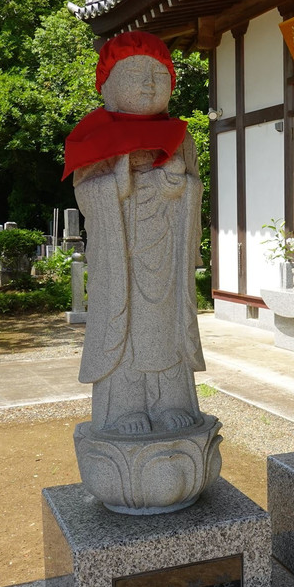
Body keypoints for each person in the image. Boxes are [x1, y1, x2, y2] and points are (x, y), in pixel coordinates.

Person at [64, 31, 203, 435]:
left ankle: (171, 401)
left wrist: (177, 185)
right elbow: (87, 193)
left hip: (165, 257)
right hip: (121, 260)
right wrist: (120, 178)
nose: (148, 83)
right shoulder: (94, 134)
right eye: (137, 72)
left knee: (167, 327)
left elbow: (193, 187)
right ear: (107, 86)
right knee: (121, 330)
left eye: (159, 75)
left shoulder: (181, 136)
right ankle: (124, 407)